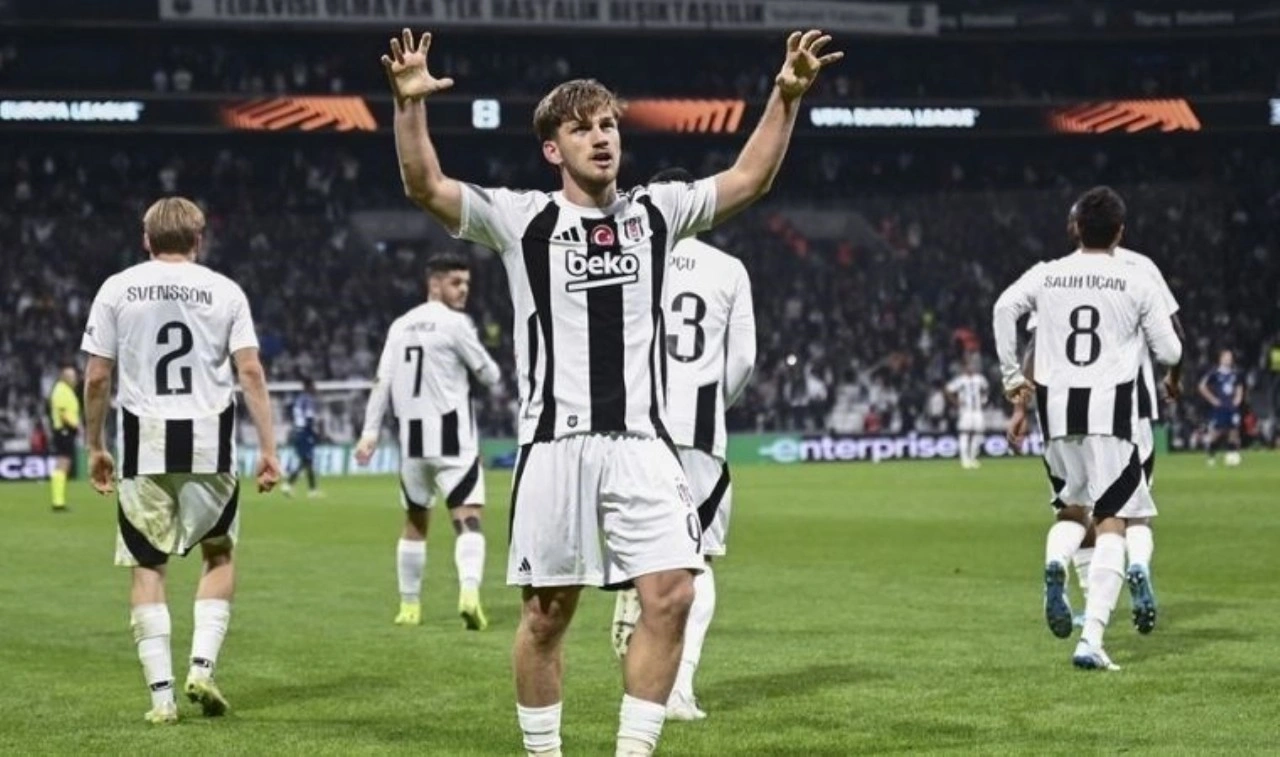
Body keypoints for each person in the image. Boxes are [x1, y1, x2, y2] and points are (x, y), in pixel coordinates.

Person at [379, 26, 840, 757]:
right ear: (551, 150)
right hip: (554, 446)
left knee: (673, 593)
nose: (601, 138)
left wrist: (786, 96)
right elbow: (425, 186)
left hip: (643, 444)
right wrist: (410, 105)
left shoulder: (657, 213)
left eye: (608, 125)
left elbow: (749, 179)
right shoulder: (522, 219)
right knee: (545, 616)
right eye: (581, 128)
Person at [80, 197, 281, 724]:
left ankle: (162, 700)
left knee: (148, 565)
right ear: (199, 239)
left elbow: (97, 377)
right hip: (208, 443)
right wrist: (268, 448)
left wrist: (95, 445)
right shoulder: (225, 291)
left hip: (142, 443)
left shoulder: (117, 288)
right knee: (219, 554)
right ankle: (203, 668)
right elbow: (251, 372)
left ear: (146, 239)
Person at [994, 186, 1181, 671]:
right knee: (1116, 519)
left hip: (1056, 414)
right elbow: (1171, 350)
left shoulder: (1047, 273)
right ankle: (1092, 639)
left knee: (1072, 510)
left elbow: (1003, 309)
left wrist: (1013, 379)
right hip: (1113, 415)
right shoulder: (1136, 277)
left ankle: (1056, 563)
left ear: (1075, 227)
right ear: (1119, 232)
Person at [609, 168, 757, 722]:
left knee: (647, 543)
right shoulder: (728, 268)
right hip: (696, 427)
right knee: (701, 559)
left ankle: (633, 592)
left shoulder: (627, 257)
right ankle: (677, 689)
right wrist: (715, 402)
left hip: (631, 425)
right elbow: (743, 360)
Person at [355, 253, 501, 631]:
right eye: (456, 282)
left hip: (412, 444)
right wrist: (488, 365)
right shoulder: (456, 324)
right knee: (468, 519)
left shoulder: (400, 325)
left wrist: (370, 433)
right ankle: (469, 592)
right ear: (434, 284)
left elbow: (382, 381)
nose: (464, 289)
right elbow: (489, 374)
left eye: (466, 283)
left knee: (415, 522)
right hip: (454, 441)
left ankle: (409, 606)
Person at [1199, 349, 1244, 467]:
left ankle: (1231, 455)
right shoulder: (1214, 373)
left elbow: (1239, 386)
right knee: (1217, 432)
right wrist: (1212, 399)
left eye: (1230, 357)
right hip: (1220, 406)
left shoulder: (1235, 373)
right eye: (1226, 357)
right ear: (1221, 359)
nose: (1228, 359)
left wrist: (1238, 398)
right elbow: (1202, 386)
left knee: (1234, 431)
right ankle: (1211, 455)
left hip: (1232, 406)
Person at [945, 357, 988, 470]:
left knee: (978, 434)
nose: (971, 367)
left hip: (977, 410)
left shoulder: (980, 379)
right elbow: (948, 390)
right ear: (964, 368)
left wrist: (984, 400)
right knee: (964, 433)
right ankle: (964, 459)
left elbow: (985, 389)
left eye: (972, 365)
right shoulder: (961, 380)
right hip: (966, 411)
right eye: (968, 366)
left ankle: (973, 458)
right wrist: (956, 402)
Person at [281, 378, 322, 498]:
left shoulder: (298, 399)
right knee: (307, 461)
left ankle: (309, 489)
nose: (315, 388)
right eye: (313, 386)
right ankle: (304, 489)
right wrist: (314, 434)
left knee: (306, 461)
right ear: (308, 387)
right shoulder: (308, 400)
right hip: (304, 433)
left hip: (297, 432)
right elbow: (309, 419)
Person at [48, 364, 81, 512]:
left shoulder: (65, 390)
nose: (74, 379)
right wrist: (76, 426)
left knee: (63, 464)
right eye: (71, 376)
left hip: (65, 431)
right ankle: (58, 501)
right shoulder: (61, 390)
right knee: (63, 463)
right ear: (64, 377)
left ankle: (58, 500)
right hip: (64, 431)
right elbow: (63, 413)